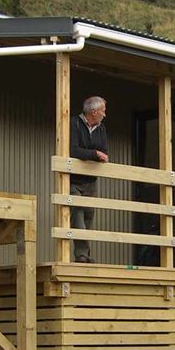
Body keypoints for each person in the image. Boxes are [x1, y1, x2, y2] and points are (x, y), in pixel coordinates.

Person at [69, 96, 108, 263]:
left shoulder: (101, 128)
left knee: (88, 217)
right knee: (77, 216)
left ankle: (84, 254)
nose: (104, 115)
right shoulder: (74, 124)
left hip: (91, 180)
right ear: (94, 112)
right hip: (74, 180)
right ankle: (81, 255)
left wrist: (95, 155)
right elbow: (73, 150)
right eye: (103, 111)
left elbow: (104, 152)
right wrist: (93, 154)